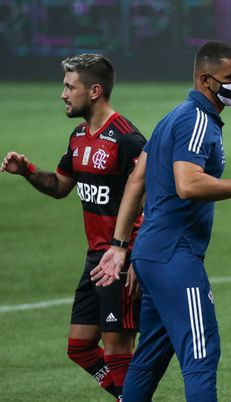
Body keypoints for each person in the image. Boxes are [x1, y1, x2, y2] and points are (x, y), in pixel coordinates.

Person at [89, 41, 231, 402]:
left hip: (153, 254)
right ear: (206, 80)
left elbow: (137, 179)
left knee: (150, 357)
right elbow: (187, 184)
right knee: (202, 350)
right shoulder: (196, 120)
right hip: (175, 255)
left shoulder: (173, 116)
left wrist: (119, 245)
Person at [1, 53, 144, 400]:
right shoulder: (79, 136)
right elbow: (61, 186)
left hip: (120, 258)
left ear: (94, 91)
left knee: (116, 350)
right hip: (95, 259)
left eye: (69, 86)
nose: (63, 94)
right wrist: (29, 171)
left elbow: (152, 201)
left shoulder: (127, 139)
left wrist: (134, 256)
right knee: (80, 347)